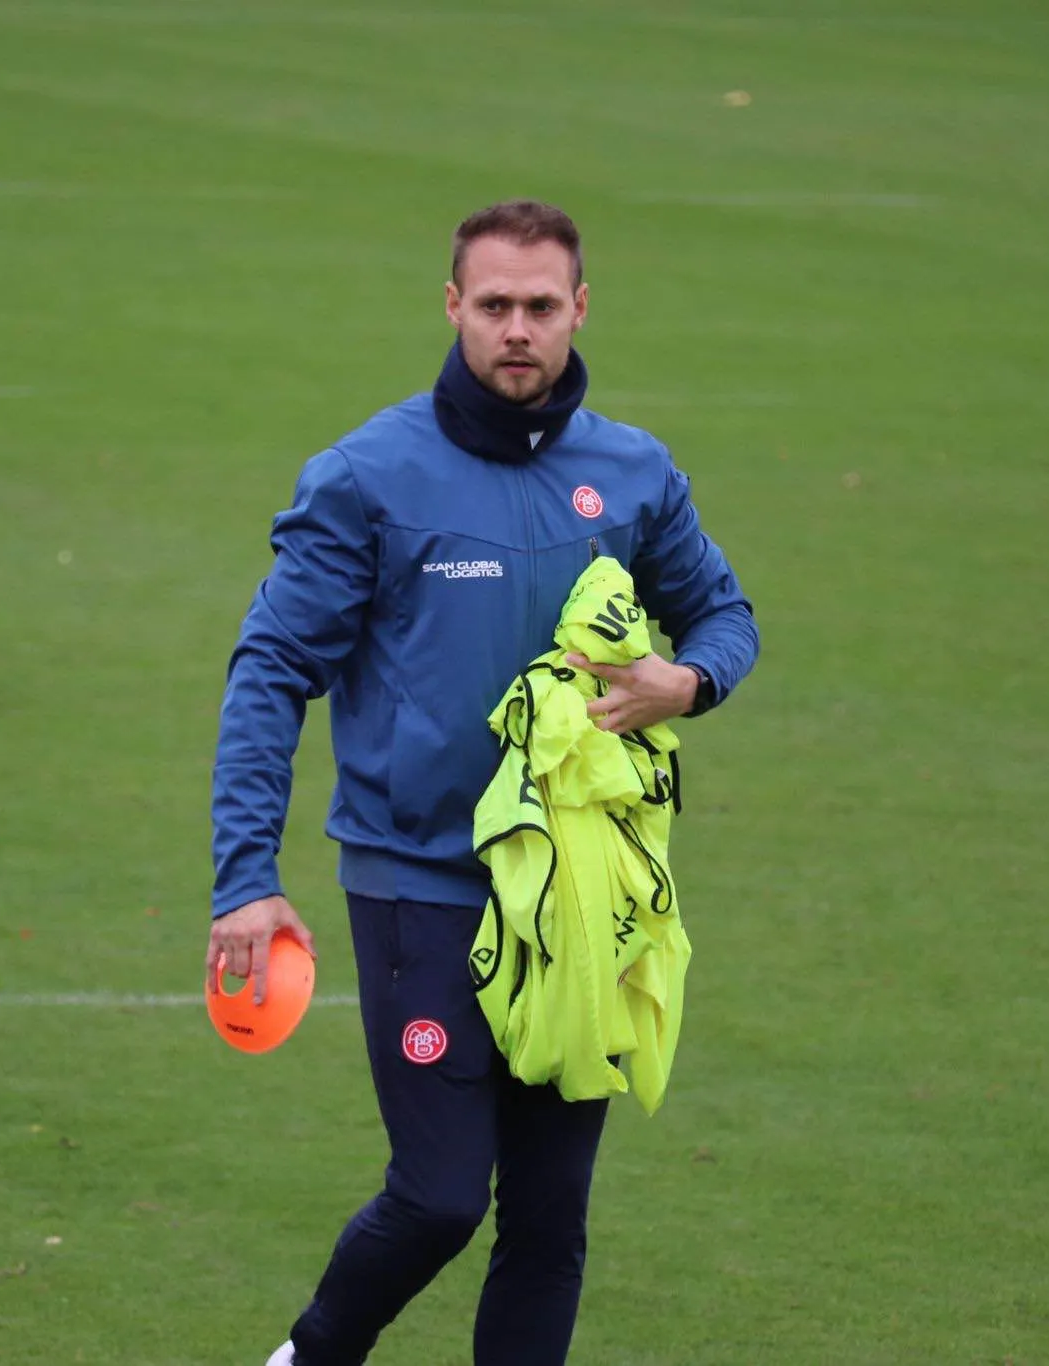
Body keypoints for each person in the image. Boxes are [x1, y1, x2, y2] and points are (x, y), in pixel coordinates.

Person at [207, 200, 759, 1366]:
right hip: (422, 889)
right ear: (453, 304)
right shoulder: (367, 476)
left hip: (576, 895)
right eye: (494, 304)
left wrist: (689, 680)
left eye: (540, 307)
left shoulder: (631, 472)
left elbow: (723, 612)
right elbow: (268, 671)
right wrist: (243, 877)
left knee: (549, 1219)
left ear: (578, 311)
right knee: (443, 1196)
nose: (518, 329)